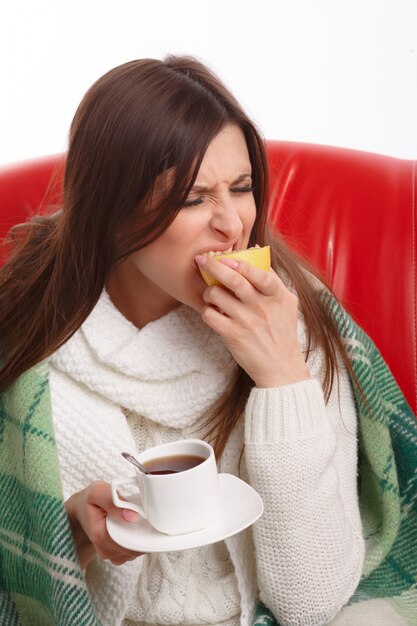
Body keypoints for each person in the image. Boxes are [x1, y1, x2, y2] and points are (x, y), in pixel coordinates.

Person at [0, 56, 415, 626]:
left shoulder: (291, 321)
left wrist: (282, 376)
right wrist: (71, 532)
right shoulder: (33, 352)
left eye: (241, 188)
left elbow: (311, 600)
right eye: (193, 199)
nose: (232, 224)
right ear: (111, 214)